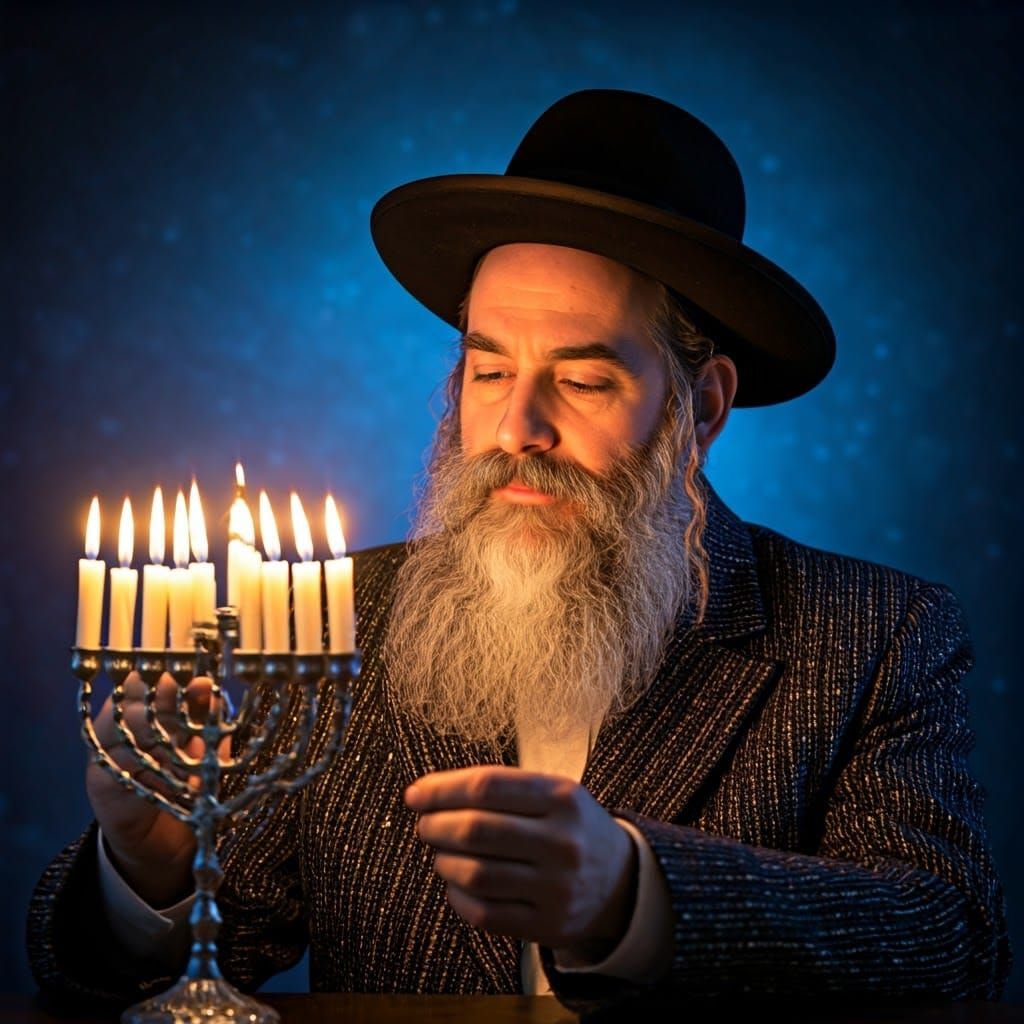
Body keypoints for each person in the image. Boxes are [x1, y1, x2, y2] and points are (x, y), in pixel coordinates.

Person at [28, 89, 1010, 1013]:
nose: (516, 426)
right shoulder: (339, 616)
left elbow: (951, 940)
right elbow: (153, 983)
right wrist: (151, 865)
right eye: (488, 368)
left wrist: (633, 894)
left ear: (699, 406)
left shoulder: (874, 634)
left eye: (581, 381)